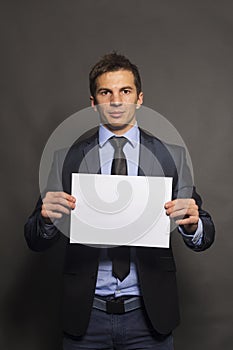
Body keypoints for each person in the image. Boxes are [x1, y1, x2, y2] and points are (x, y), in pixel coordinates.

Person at [25, 52, 215, 350]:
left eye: (125, 91)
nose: (116, 100)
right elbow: (35, 238)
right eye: (106, 92)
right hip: (86, 317)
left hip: (150, 317)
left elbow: (205, 235)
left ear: (139, 98)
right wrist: (47, 220)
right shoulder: (68, 158)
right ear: (93, 102)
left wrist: (193, 225)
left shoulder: (170, 156)